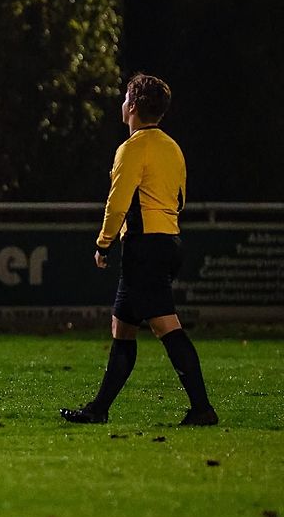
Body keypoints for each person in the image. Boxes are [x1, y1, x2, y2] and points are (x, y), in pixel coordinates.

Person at [61, 73, 218, 426]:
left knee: (166, 326)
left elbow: (117, 203)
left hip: (144, 247)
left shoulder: (132, 148)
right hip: (167, 241)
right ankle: (99, 409)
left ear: (132, 106)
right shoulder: (172, 147)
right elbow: (179, 199)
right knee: (123, 328)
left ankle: (203, 408)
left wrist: (103, 242)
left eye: (124, 98)